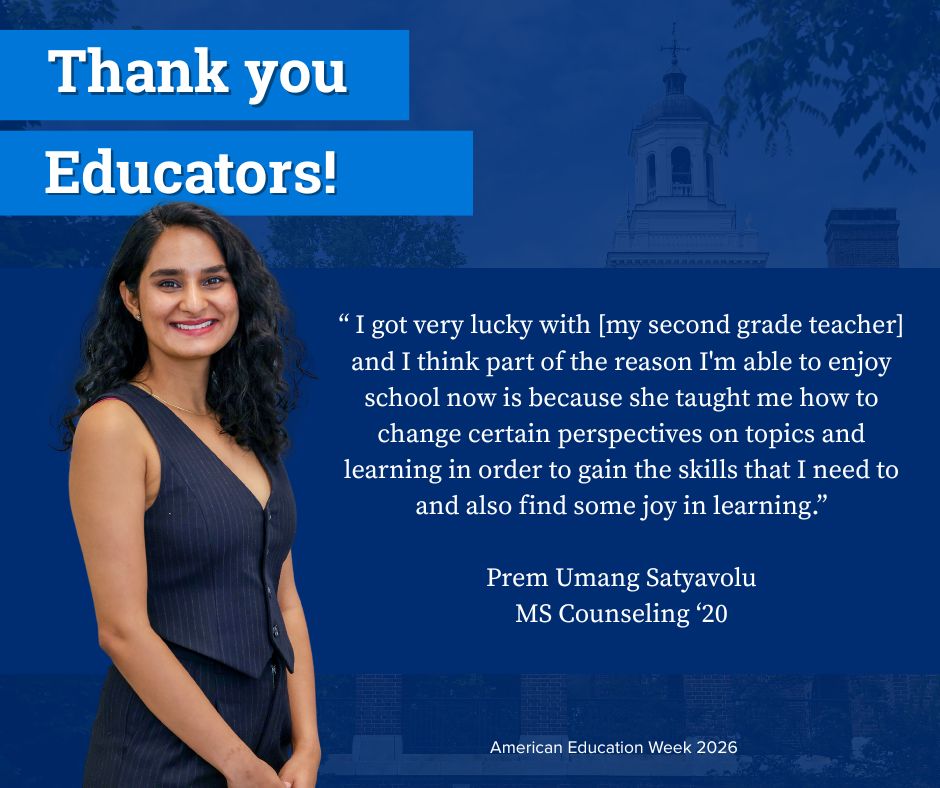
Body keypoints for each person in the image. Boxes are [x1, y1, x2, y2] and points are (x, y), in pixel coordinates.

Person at [63, 202, 320, 787]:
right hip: (163, 761)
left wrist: (306, 746)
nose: (194, 302)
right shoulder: (116, 426)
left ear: (238, 294)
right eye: (168, 283)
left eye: (213, 280)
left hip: (266, 756)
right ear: (131, 299)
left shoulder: (248, 429)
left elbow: (287, 603)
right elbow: (121, 629)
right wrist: (239, 766)